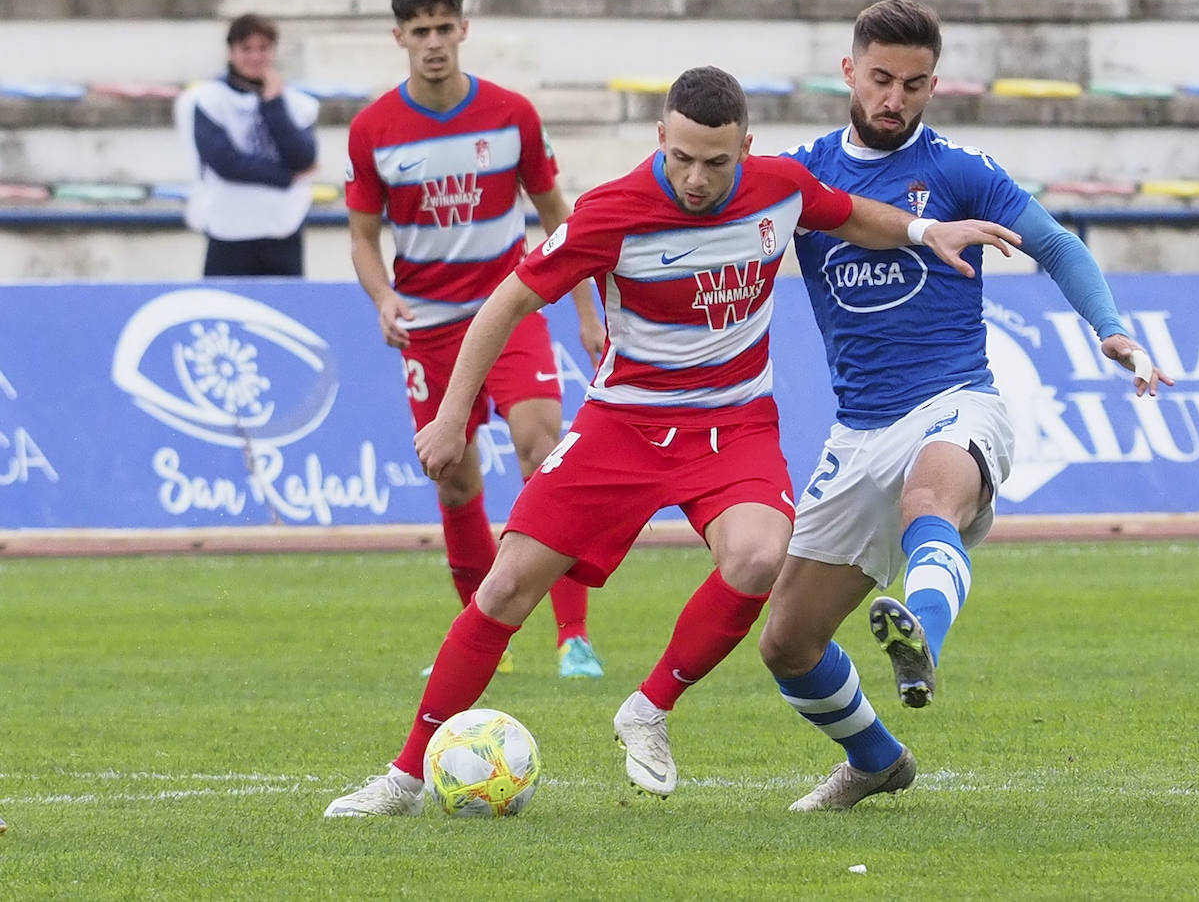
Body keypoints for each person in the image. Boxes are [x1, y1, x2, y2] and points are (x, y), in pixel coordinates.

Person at [323, 64, 1020, 817]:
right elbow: (511, 299)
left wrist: (925, 230)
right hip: (621, 426)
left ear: (745, 149)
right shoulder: (611, 211)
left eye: (716, 163)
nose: (695, 178)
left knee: (758, 556)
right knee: (506, 586)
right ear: (661, 137)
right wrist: (452, 418)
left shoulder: (777, 188)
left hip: (733, 425)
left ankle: (650, 708)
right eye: (681, 157)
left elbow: (849, 213)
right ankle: (402, 778)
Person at [757, 0, 1175, 812]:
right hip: (857, 429)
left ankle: (920, 641)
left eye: (913, 85)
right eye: (880, 79)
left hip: (955, 401)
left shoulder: (956, 170)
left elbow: (1054, 244)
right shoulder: (803, 176)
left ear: (933, 85)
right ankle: (876, 758)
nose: (894, 99)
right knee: (787, 643)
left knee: (929, 494)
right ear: (849, 71)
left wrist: (1111, 331)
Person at [345, 0, 608, 679]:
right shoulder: (373, 130)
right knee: (455, 484)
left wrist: (586, 313)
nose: (433, 42)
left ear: (463, 28)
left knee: (544, 449)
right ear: (398, 37)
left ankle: (573, 637)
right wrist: (382, 297)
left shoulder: (511, 115)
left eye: (442, 27)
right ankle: (489, 637)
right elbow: (364, 238)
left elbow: (562, 221)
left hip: (510, 314)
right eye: (418, 30)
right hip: (428, 332)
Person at [175, 13, 319, 277]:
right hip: (229, 230)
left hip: (281, 229)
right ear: (231, 52)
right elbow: (225, 161)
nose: (255, 57)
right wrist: (285, 177)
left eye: (263, 48)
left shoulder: (296, 103)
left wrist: (273, 104)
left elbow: (303, 157)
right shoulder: (208, 100)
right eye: (246, 49)